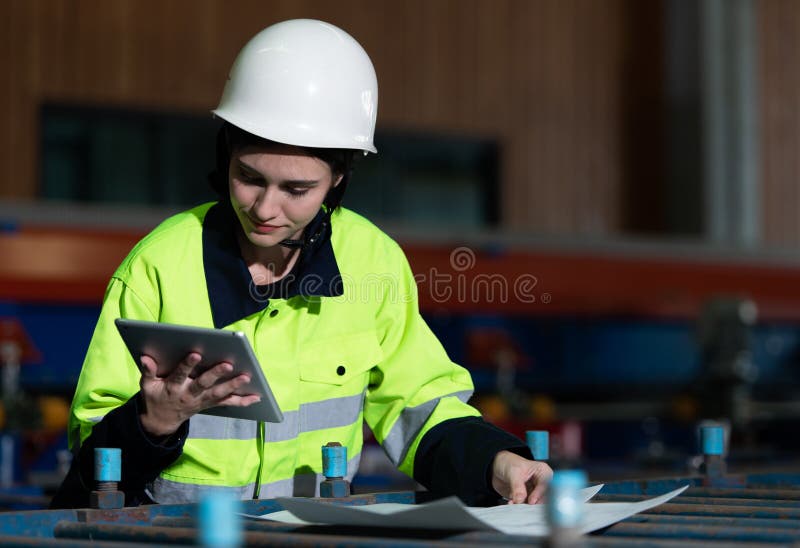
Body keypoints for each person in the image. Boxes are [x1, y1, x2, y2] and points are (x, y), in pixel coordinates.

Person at [51, 18, 552, 509]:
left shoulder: (371, 261)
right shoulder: (158, 264)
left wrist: (497, 461)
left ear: (338, 178)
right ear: (225, 152)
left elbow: (417, 405)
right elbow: (93, 457)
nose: (265, 209)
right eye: (249, 177)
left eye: (296, 189)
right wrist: (152, 420)